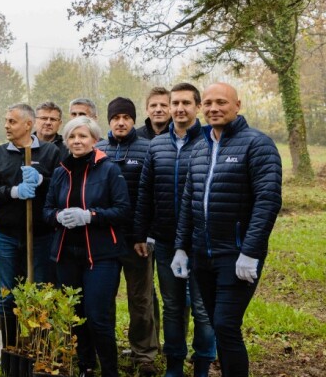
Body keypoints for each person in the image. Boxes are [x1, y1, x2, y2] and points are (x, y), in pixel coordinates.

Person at [173, 83, 282, 377]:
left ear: (238, 105)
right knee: (217, 324)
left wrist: (250, 251)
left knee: (225, 324)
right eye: (207, 103)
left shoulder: (257, 145)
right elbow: (188, 201)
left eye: (221, 102)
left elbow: (268, 200)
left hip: (235, 255)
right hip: (201, 256)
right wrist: (181, 246)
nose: (213, 108)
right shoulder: (199, 148)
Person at [135, 82, 216, 377]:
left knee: (203, 308)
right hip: (166, 240)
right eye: (175, 103)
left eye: (186, 103)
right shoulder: (156, 146)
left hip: (202, 241)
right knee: (172, 306)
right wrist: (141, 233)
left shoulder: (210, 141)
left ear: (196, 107)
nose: (179, 109)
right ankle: (174, 365)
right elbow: (145, 193)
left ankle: (203, 365)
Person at [43, 116, 131, 377]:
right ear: (67, 141)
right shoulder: (61, 172)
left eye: (82, 136)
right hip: (67, 255)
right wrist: (58, 216)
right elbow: (47, 210)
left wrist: (90, 215)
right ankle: (86, 366)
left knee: (98, 316)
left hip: (101, 255)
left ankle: (110, 370)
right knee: (77, 315)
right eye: (72, 136)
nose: (77, 141)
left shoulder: (109, 169)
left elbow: (123, 210)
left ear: (94, 139)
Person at [0, 103, 61, 348]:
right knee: (7, 295)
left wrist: (41, 181)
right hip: (6, 235)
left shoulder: (50, 153)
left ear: (28, 124)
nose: (6, 125)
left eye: (12, 121)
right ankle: (8, 349)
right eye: (6, 121)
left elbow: (61, 188)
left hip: (41, 236)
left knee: (41, 294)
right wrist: (14, 191)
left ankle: (41, 348)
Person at [94, 97, 158, 376]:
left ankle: (144, 354)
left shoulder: (148, 149)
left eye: (126, 118)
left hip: (137, 241)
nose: (121, 122)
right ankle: (103, 352)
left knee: (141, 300)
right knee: (102, 299)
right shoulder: (97, 150)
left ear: (134, 120)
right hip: (103, 241)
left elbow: (152, 196)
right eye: (116, 117)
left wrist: (145, 235)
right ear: (109, 121)